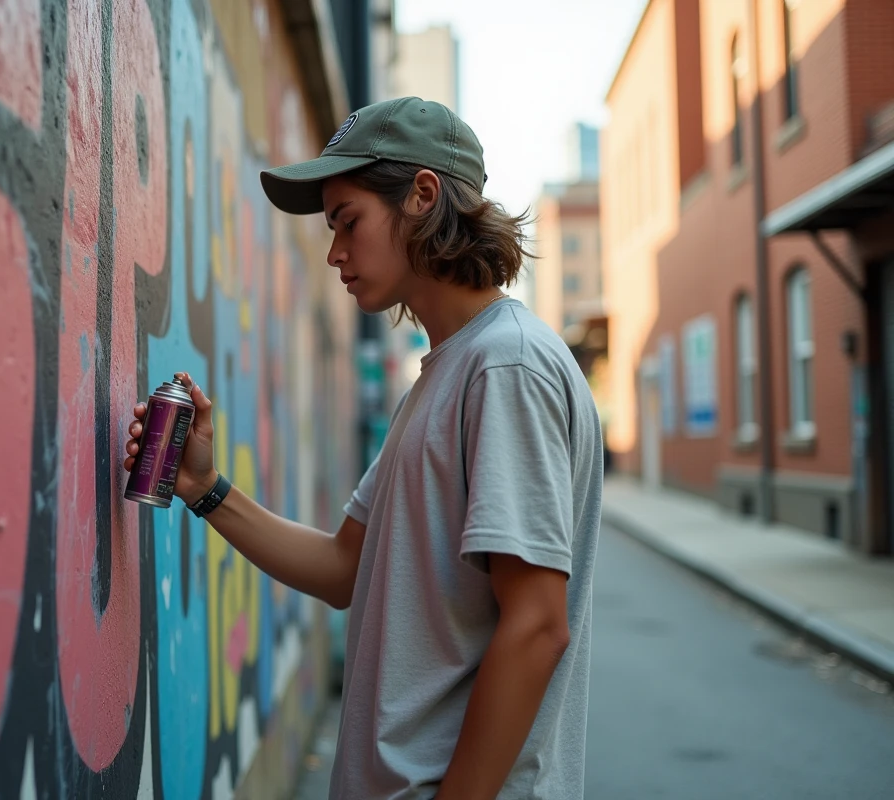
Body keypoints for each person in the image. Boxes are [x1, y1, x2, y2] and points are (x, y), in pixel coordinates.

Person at [123, 97, 602, 800]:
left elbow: (536, 626)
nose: (334, 252)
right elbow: (348, 567)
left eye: (348, 222)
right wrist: (205, 490)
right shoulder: (449, 373)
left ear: (423, 196)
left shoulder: (505, 368)